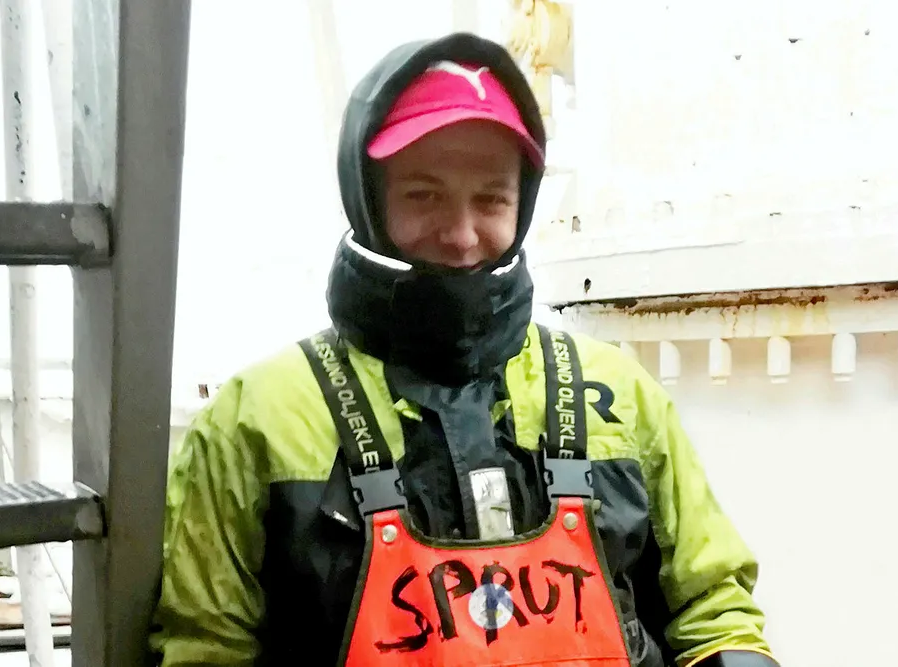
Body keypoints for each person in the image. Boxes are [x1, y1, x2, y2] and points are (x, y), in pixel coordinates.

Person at [149, 32, 780, 667]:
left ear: (522, 202)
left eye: (491, 199)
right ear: (368, 198)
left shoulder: (621, 393)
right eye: (423, 195)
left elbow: (714, 613)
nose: (460, 234)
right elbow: (205, 648)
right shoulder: (257, 418)